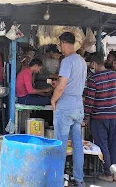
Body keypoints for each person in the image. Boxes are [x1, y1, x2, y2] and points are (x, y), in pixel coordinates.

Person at [51, 32, 87, 187]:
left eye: (60, 45)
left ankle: (58, 179)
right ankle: (79, 179)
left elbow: (62, 86)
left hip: (65, 108)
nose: (60, 48)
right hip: (78, 107)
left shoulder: (67, 61)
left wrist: (53, 99)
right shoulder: (82, 61)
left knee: (61, 144)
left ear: (64, 43)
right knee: (77, 144)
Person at [84, 52, 116, 182]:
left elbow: (90, 100)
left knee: (102, 146)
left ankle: (108, 174)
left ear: (93, 64)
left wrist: (85, 117)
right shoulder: (114, 75)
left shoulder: (93, 79)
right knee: (113, 145)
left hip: (99, 118)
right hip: (114, 116)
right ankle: (114, 173)